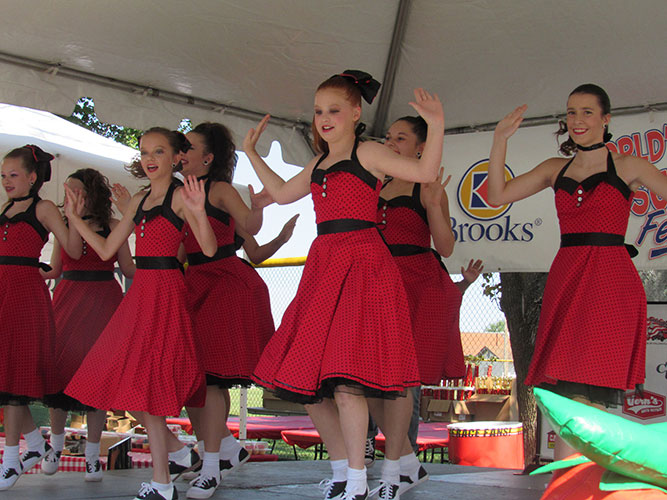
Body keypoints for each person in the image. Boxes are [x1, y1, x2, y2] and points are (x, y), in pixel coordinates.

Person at [244, 71, 444, 500]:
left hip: (364, 264)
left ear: (356, 113)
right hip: (324, 267)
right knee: (307, 378)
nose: (324, 118)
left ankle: (358, 480)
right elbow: (280, 193)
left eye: (334, 110)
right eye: (318, 111)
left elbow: (426, 169)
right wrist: (251, 152)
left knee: (350, 380)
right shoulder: (317, 164)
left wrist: (438, 122)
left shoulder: (369, 152)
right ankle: (352, 471)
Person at [487, 84, 667, 460]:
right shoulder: (556, 169)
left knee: (593, 392)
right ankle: (567, 482)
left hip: (610, 280)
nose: (577, 120)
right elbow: (497, 195)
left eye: (587, 112)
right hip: (567, 277)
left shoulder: (629, 165)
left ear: (606, 119)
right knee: (569, 395)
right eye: (571, 112)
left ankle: (579, 484)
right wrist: (500, 139)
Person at [63, 127, 216, 500]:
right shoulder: (138, 200)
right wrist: (76, 219)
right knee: (119, 376)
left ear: (176, 157)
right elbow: (105, 251)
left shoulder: (182, 196)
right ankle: (174, 461)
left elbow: (209, 249)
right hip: (141, 294)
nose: (149, 158)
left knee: (149, 386)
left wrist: (198, 213)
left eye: (158, 151)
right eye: (145, 151)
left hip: (165, 293)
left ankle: (165, 478)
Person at [368, 115, 484, 495]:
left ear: (421, 148)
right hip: (374, 283)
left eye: (400, 137)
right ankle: (408, 464)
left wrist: (434, 203)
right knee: (362, 382)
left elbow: (446, 247)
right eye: (388, 137)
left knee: (400, 384)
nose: (391, 142)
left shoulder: (427, 187)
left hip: (415, 285)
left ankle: (396, 471)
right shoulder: (373, 182)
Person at [40, 168, 135, 481]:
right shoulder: (64, 225)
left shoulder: (113, 225)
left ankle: (93, 456)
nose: (70, 197)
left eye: (76, 191)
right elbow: (54, 268)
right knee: (60, 372)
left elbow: (128, 268)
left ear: (91, 193)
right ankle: (55, 447)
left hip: (104, 302)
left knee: (97, 377)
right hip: (68, 300)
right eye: (67, 191)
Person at [0, 145, 82, 491]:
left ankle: (10, 461)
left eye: (13, 175)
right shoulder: (6, 207)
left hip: (23, 297)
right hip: (3, 293)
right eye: (3, 176)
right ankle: (34, 445)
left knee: (14, 381)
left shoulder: (43, 207)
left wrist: (74, 218)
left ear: (33, 178)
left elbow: (73, 251)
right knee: (5, 377)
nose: (6, 181)